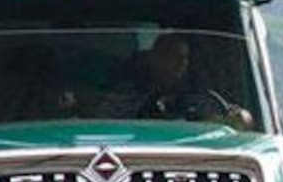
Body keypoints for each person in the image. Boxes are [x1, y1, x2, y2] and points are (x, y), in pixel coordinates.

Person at [100, 33, 252, 128]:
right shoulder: (125, 93)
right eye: (171, 56)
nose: (180, 63)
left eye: (184, 58)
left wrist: (232, 119)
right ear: (153, 58)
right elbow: (105, 123)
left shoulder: (205, 99)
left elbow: (237, 121)